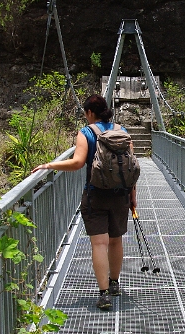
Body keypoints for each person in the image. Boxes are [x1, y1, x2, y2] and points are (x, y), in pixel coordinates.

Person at [32, 94, 137, 311]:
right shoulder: (123, 131)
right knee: (116, 241)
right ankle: (115, 283)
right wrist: (132, 196)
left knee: (99, 244)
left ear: (90, 112)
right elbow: (131, 169)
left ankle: (103, 294)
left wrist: (49, 165)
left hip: (95, 195)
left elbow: (78, 162)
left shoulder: (86, 133)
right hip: (120, 195)